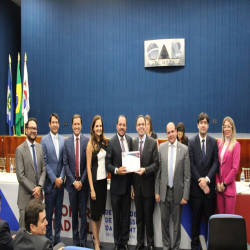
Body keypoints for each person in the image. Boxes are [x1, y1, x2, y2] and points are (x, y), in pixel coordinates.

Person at [155, 122, 190, 250]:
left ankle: (175, 248)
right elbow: (158, 172)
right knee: (164, 224)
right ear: (167, 133)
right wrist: (157, 192)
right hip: (164, 193)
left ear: (176, 132)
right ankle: (166, 247)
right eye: (168, 132)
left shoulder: (184, 149)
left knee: (176, 226)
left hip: (178, 194)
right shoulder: (162, 147)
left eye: (172, 132)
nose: (170, 135)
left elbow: (187, 175)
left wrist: (185, 195)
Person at [188, 112, 219, 250]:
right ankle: (195, 246)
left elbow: (216, 163)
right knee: (195, 222)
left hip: (209, 192)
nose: (203, 125)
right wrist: (201, 182)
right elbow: (191, 164)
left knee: (209, 222)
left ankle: (209, 246)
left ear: (208, 125)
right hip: (196, 192)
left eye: (206, 122)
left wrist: (207, 180)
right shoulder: (191, 142)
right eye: (201, 122)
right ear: (197, 125)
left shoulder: (213, 142)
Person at [131, 115, 158, 250]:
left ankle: (151, 244)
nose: (141, 126)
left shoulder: (153, 143)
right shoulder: (133, 143)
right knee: (139, 219)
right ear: (136, 127)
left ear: (146, 126)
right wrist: (131, 186)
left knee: (149, 219)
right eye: (139, 124)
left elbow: (156, 164)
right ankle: (140, 243)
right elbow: (130, 167)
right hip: (137, 188)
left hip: (148, 188)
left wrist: (145, 170)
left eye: (144, 124)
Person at [106, 115, 132, 250]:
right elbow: (107, 164)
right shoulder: (111, 142)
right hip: (116, 188)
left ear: (126, 126)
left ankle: (125, 241)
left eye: (124, 125)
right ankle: (117, 243)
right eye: (120, 125)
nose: (122, 127)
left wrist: (132, 185)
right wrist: (116, 170)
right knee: (117, 217)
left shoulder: (129, 140)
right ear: (116, 126)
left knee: (126, 216)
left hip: (127, 188)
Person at [63, 114, 89, 247]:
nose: (77, 126)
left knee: (83, 216)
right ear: (72, 125)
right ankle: (75, 242)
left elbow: (87, 165)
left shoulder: (86, 141)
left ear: (81, 125)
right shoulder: (66, 142)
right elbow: (65, 164)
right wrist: (74, 181)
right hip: (72, 186)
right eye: (75, 124)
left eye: (79, 124)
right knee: (74, 216)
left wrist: (81, 181)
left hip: (83, 185)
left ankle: (83, 243)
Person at [15, 117, 46, 228]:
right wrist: (35, 190)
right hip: (26, 199)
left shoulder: (40, 148)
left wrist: (40, 186)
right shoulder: (20, 150)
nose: (33, 131)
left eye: (35, 128)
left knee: (37, 231)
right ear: (26, 130)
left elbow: (44, 169)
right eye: (31, 128)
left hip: (38, 200)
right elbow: (20, 176)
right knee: (24, 232)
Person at [40, 113, 65, 245]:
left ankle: (58, 241)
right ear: (49, 124)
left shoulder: (63, 140)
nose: (55, 124)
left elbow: (64, 162)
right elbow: (45, 163)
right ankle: (48, 243)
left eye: (57, 122)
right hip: (50, 186)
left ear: (58, 125)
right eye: (53, 122)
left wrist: (60, 178)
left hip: (60, 186)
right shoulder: (43, 141)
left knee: (59, 216)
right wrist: (54, 179)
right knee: (48, 217)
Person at [86, 115, 108, 250]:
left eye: (100, 126)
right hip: (94, 183)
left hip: (103, 183)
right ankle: (96, 243)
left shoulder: (105, 142)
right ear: (93, 128)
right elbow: (88, 168)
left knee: (100, 213)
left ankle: (97, 238)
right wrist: (92, 189)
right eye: (97, 126)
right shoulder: (90, 144)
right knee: (94, 215)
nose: (99, 128)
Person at [216, 117, 240, 214]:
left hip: (229, 190)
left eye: (228, 126)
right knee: (221, 221)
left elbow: (235, 169)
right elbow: (216, 165)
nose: (226, 129)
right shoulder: (219, 143)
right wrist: (218, 183)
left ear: (232, 128)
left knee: (228, 223)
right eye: (224, 127)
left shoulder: (236, 145)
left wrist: (224, 183)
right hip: (219, 190)